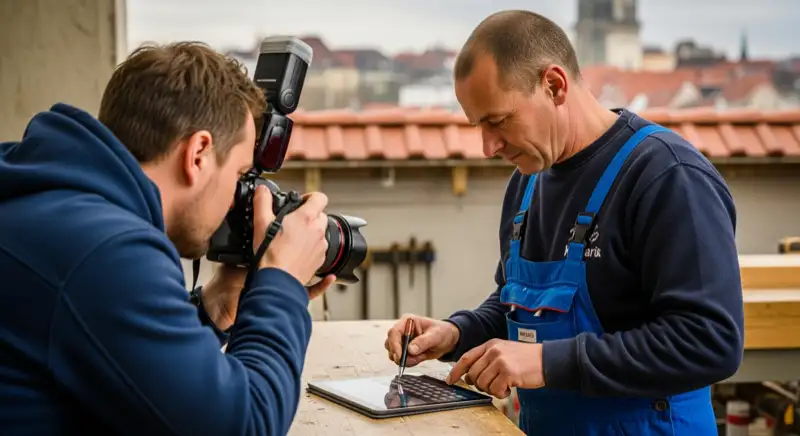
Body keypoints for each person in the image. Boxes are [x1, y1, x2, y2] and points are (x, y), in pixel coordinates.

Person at [385, 10, 744, 435]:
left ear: (554, 85)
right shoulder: (527, 185)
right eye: (478, 126)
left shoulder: (667, 176)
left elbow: (710, 342)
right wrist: (458, 332)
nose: (487, 147)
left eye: (498, 121)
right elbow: (518, 309)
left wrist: (545, 362)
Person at [0, 42, 335, 435]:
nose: (236, 199)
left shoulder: (49, 199)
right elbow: (243, 424)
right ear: (198, 154)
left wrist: (212, 310)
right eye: (241, 175)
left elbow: (121, 368)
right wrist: (282, 282)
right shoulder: (106, 251)